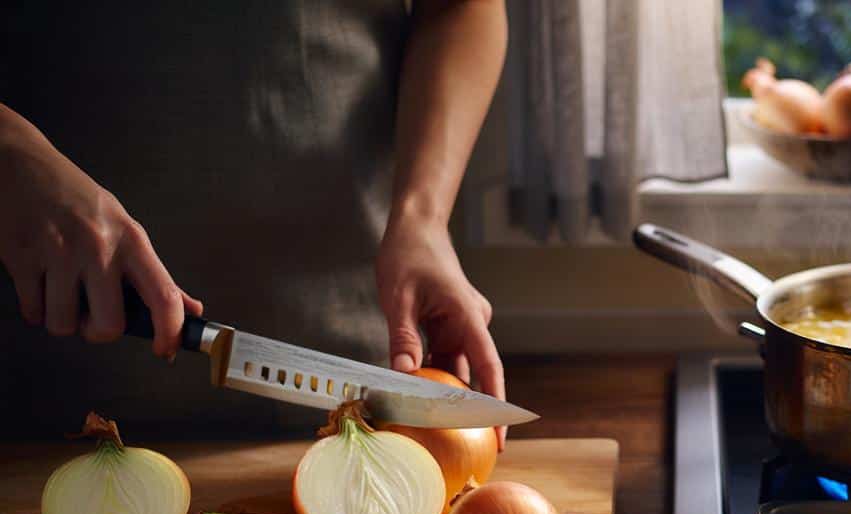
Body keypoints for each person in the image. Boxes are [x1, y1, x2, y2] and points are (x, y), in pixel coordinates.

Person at [0, 1, 508, 442]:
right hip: (43, 375)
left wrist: (423, 216)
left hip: (344, 347)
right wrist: (10, 153)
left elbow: (463, 6)